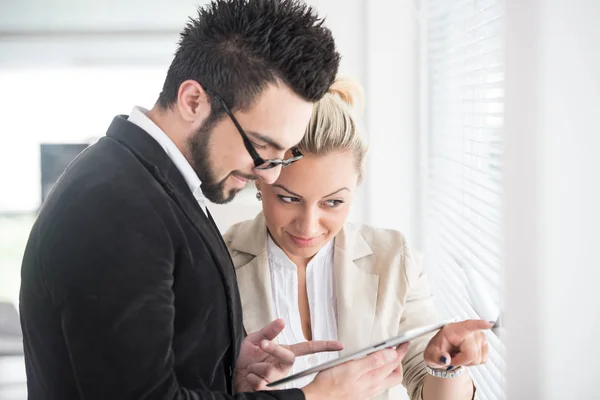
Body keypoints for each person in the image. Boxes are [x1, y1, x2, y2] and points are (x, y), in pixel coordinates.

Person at [19, 2, 408, 399]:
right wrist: (314, 396)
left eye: (282, 154)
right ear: (193, 101)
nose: (269, 174)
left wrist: (218, 364)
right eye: (260, 146)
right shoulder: (114, 208)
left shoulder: (153, 181)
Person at [224, 77, 493, 400]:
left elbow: (427, 386)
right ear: (260, 179)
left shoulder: (394, 259)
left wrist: (444, 365)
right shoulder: (218, 261)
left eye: (333, 202)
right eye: (288, 199)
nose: (308, 227)